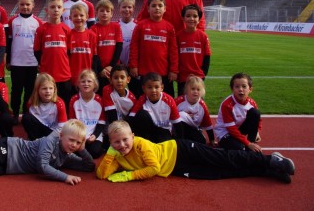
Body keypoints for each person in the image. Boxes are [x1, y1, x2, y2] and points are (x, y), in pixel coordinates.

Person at [96, 120, 295, 184]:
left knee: (224, 158)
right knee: (220, 173)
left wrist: (128, 176)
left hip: (181, 150)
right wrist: (111, 154)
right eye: (116, 142)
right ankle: (266, 171)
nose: (122, 144)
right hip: (178, 168)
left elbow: (154, 168)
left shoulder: (140, 144)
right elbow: (102, 174)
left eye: (125, 139)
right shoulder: (116, 153)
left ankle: (270, 160)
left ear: (133, 135)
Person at [129, 0, 178, 97]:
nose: (157, 8)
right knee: (142, 100)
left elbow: (173, 51)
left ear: (165, 9)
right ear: (148, 8)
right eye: (153, 5)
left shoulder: (169, 27)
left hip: (163, 72)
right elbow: (134, 47)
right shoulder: (140, 25)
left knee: (165, 100)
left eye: (160, 5)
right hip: (143, 72)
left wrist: (173, 70)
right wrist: (133, 66)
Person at [7, 0, 44, 125]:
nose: (25, 7)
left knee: (30, 90)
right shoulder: (12, 21)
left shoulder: (38, 22)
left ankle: (27, 113)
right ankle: (15, 113)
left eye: (28, 4)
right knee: (16, 90)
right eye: (22, 4)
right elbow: (9, 42)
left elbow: (40, 45)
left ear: (33, 5)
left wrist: (40, 61)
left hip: (32, 62)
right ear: (18, 5)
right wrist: (8, 60)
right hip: (17, 62)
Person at [34, 0, 72, 111]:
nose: (56, 9)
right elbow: (37, 51)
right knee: (48, 106)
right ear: (47, 10)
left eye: (59, 7)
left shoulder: (67, 30)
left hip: (64, 75)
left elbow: (69, 52)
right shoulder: (41, 29)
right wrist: (44, 63)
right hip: (48, 75)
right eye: (52, 7)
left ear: (63, 10)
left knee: (65, 106)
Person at [128, 72, 184, 143]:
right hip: (149, 131)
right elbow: (131, 118)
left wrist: (181, 142)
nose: (153, 90)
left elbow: (177, 124)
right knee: (142, 114)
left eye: (156, 87)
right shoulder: (142, 99)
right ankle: (145, 144)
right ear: (144, 88)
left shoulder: (169, 100)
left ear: (162, 88)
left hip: (164, 131)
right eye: (149, 87)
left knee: (163, 145)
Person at [214, 73, 262, 152]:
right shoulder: (227, 105)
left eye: (244, 86)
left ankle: (251, 145)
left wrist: (257, 132)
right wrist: (248, 144)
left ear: (250, 89)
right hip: (225, 133)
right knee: (239, 149)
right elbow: (231, 129)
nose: (240, 89)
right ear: (232, 89)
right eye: (237, 86)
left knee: (255, 113)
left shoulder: (252, 103)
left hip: (238, 130)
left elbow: (258, 119)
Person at [69, 69, 106, 159]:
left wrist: (95, 135)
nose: (86, 84)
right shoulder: (74, 99)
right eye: (83, 81)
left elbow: (101, 122)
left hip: (94, 134)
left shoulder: (99, 100)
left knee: (95, 152)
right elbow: (72, 122)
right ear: (78, 84)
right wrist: (80, 136)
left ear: (95, 85)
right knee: (72, 149)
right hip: (78, 134)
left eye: (89, 81)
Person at [176, 4, 211, 96]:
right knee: (182, 102)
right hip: (183, 77)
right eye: (188, 16)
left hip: (198, 77)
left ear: (199, 19)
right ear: (183, 18)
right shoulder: (178, 36)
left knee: (197, 103)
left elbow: (207, 56)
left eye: (195, 16)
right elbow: (175, 56)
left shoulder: (203, 36)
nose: (191, 18)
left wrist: (203, 73)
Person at [90, 0, 123, 95]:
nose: (104, 13)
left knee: (115, 93)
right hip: (100, 69)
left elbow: (119, 47)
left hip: (114, 67)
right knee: (100, 93)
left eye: (107, 11)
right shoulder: (93, 29)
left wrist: (111, 66)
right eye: (102, 11)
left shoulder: (116, 27)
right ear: (97, 13)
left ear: (112, 13)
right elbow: (94, 52)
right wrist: (101, 69)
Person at [21, 73, 68, 140]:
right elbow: (31, 124)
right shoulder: (31, 103)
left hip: (53, 133)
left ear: (54, 89)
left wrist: (49, 139)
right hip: (38, 132)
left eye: (51, 88)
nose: (48, 91)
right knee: (26, 118)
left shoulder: (59, 103)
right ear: (37, 90)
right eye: (44, 88)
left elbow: (62, 126)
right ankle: (34, 144)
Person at [174, 76, 215, 145]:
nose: (195, 92)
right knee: (181, 115)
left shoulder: (202, 105)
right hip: (180, 129)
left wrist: (212, 140)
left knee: (201, 142)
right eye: (193, 89)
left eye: (198, 89)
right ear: (187, 89)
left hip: (194, 129)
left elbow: (208, 124)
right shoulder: (178, 102)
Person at [67, 3, 99, 91]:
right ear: (70, 18)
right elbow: (67, 56)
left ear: (87, 17)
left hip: (87, 78)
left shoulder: (92, 35)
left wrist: (94, 74)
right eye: (75, 16)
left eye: (81, 15)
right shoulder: (68, 35)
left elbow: (94, 57)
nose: (79, 18)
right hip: (72, 77)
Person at [117, 0, 141, 96]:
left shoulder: (138, 25)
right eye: (124, 7)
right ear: (119, 8)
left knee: (136, 91)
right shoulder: (115, 25)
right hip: (119, 64)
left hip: (133, 66)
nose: (127, 9)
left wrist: (133, 64)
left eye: (129, 7)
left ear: (133, 9)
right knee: (118, 91)